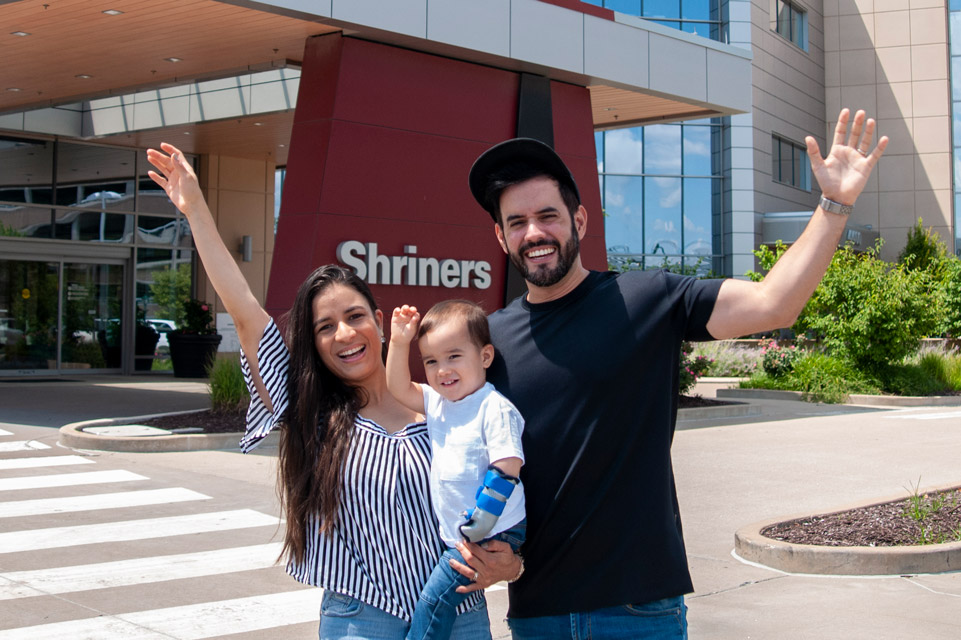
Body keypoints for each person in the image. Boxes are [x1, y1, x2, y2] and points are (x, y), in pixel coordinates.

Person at [452, 108, 888, 639]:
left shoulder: (648, 299)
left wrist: (834, 205)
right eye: (516, 223)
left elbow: (774, 304)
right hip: (538, 612)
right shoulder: (488, 343)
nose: (534, 233)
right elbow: (456, 458)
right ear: (500, 239)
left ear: (580, 222)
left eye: (548, 216)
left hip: (639, 610)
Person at [145, 144, 515, 639]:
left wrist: (511, 563)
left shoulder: (447, 404)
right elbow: (246, 312)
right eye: (325, 326)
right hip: (363, 617)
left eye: (356, 316)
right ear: (313, 343)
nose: (344, 334)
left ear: (380, 324)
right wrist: (195, 209)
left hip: (459, 614)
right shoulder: (311, 412)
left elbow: (510, 495)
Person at [386, 300, 527, 640]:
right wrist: (399, 341)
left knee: (434, 601)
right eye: (431, 361)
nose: (442, 370)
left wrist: (484, 518)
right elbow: (397, 387)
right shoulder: (438, 404)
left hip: (493, 530)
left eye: (453, 356)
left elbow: (508, 465)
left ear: (485, 357)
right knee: (440, 602)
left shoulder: (493, 407)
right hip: (463, 534)